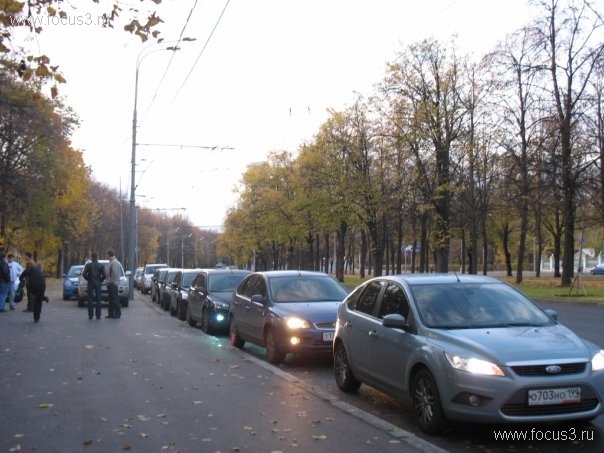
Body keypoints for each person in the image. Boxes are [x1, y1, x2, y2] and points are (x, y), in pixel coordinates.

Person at [82, 252, 107, 320]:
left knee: (90, 299)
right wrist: (101, 280)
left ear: (92, 257)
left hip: (90, 283)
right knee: (98, 299)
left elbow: (84, 274)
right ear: (97, 257)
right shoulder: (101, 265)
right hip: (98, 283)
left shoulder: (88, 265)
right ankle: (98, 315)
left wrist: (88, 279)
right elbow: (104, 275)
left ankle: (90, 315)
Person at [105, 249, 122, 319]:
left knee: (114, 299)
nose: (107, 256)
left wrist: (110, 280)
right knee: (111, 299)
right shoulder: (114, 262)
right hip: (113, 282)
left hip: (113, 283)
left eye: (107, 255)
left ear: (109, 255)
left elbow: (114, 273)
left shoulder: (113, 263)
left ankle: (117, 313)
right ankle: (111, 313)